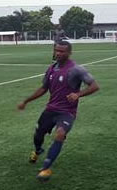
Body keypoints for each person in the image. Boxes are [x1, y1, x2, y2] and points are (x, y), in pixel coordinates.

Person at [17, 40, 99, 181]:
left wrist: (78, 94)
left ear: (69, 53)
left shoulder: (76, 69)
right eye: (57, 50)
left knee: (60, 134)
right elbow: (43, 89)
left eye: (62, 51)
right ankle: (37, 150)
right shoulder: (51, 69)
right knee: (38, 135)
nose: (59, 53)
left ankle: (46, 168)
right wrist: (26, 101)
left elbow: (94, 86)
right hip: (50, 110)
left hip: (67, 112)